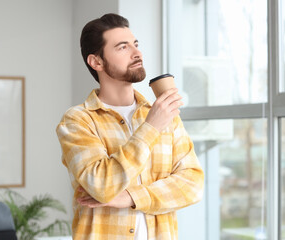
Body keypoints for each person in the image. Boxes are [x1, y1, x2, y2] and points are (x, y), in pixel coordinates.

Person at [56, 13, 204, 240]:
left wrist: (130, 197)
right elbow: (102, 185)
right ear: (96, 62)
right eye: (122, 47)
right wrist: (151, 128)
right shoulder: (78, 120)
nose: (137, 53)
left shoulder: (163, 113)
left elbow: (193, 184)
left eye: (136, 44)